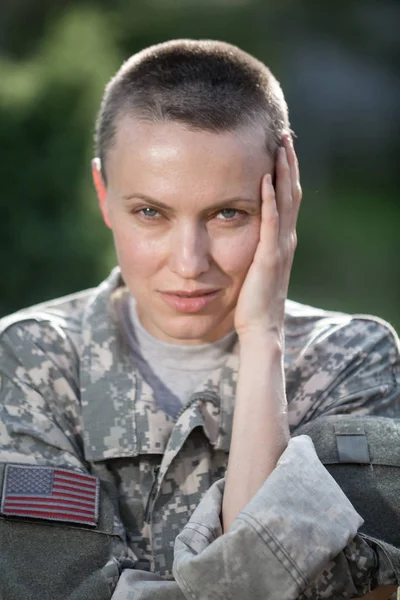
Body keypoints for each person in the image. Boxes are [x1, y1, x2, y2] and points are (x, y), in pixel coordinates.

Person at [0, 39, 399, 600]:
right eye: (150, 213)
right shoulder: (29, 361)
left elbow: (354, 584)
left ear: (284, 204)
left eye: (228, 214)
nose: (189, 263)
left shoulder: (354, 361)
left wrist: (263, 340)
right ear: (103, 194)